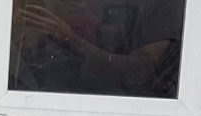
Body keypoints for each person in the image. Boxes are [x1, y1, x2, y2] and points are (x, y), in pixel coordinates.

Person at [9, 0, 185, 98]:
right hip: (47, 99)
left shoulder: (162, 6)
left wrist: (68, 37)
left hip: (123, 111)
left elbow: (138, 73)